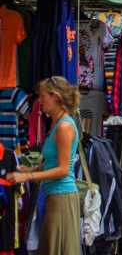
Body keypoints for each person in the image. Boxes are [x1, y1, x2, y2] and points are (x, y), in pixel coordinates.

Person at [10, 77, 80, 255]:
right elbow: (52, 162)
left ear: (55, 96)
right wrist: (31, 170)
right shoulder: (57, 124)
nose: (39, 101)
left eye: (42, 96)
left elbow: (63, 170)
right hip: (54, 196)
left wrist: (28, 176)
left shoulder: (64, 127)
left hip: (62, 198)